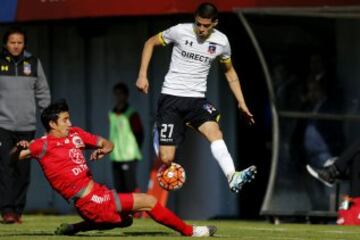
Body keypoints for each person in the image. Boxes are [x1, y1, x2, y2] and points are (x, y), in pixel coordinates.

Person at [11, 100, 216, 237]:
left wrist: (104, 150)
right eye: (65, 119)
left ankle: (74, 228)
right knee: (148, 201)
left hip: (97, 195)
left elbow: (108, 143)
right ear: (52, 124)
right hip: (89, 201)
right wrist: (16, 148)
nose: (70, 122)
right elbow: (12, 158)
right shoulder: (42, 144)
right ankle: (191, 231)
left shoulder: (75, 134)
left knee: (126, 222)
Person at [136, 2, 256, 193]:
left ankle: (232, 176)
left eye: (206, 25)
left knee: (216, 133)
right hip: (172, 98)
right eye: (198, 24)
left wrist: (241, 103)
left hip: (197, 100)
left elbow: (230, 72)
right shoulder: (179, 31)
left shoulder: (222, 42)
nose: (201, 29)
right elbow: (150, 42)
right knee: (166, 159)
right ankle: (159, 127)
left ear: (215, 23)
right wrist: (142, 74)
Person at [0, 27, 51, 224]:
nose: (16, 45)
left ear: (24, 44)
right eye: (12, 42)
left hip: (27, 126)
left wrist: (48, 122)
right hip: (3, 125)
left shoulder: (33, 63)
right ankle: (7, 211)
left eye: (19, 42)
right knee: (5, 168)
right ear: (6, 44)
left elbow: (43, 93)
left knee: (23, 170)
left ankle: (18, 211)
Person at [109, 82, 144, 193]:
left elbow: (140, 134)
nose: (118, 97)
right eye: (116, 94)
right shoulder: (111, 113)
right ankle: (123, 210)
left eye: (121, 94)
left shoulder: (131, 114)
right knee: (119, 187)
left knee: (130, 186)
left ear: (126, 95)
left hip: (129, 156)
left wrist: (134, 149)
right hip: (115, 156)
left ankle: (137, 210)